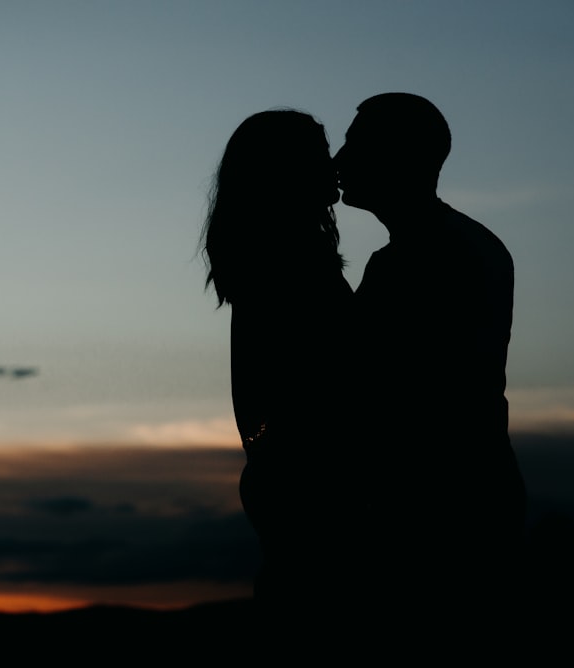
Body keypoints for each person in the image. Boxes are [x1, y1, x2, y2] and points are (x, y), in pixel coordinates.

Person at [333, 93, 527, 632]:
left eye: (354, 145)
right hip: (461, 500)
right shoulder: (460, 246)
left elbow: (378, 390)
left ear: (399, 156)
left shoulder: (425, 258)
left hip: (438, 514)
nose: (338, 162)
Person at [200, 109, 363, 632]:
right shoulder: (288, 261)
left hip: (289, 478)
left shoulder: (275, 255)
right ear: (286, 172)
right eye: (320, 155)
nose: (335, 164)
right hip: (313, 485)